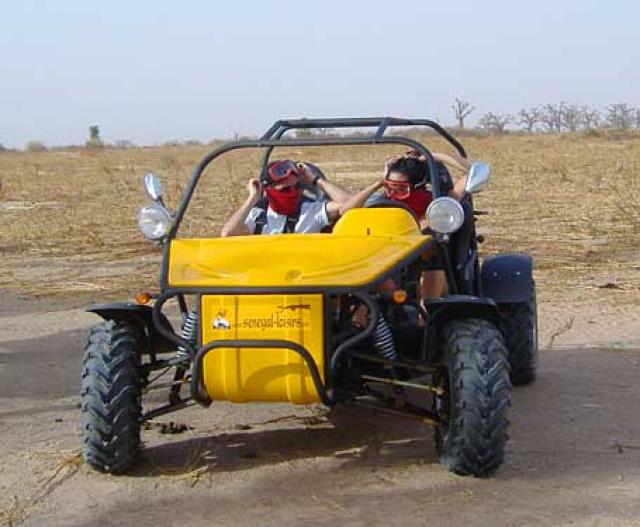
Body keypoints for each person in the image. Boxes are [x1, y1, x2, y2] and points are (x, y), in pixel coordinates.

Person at [340, 149, 474, 304]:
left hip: (421, 267)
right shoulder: (381, 201)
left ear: (420, 185)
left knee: (433, 260)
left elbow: (471, 172)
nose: (393, 193)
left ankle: (424, 317)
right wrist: (378, 182)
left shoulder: (437, 207)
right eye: (389, 186)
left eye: (400, 189)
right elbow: (345, 211)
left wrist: (434, 155)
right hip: (382, 263)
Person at [220, 159, 350, 236]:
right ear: (268, 190)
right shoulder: (258, 216)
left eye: (297, 187)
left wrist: (317, 181)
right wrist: (253, 197)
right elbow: (227, 234)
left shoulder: (313, 211)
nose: (293, 192)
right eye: (286, 189)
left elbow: (348, 204)